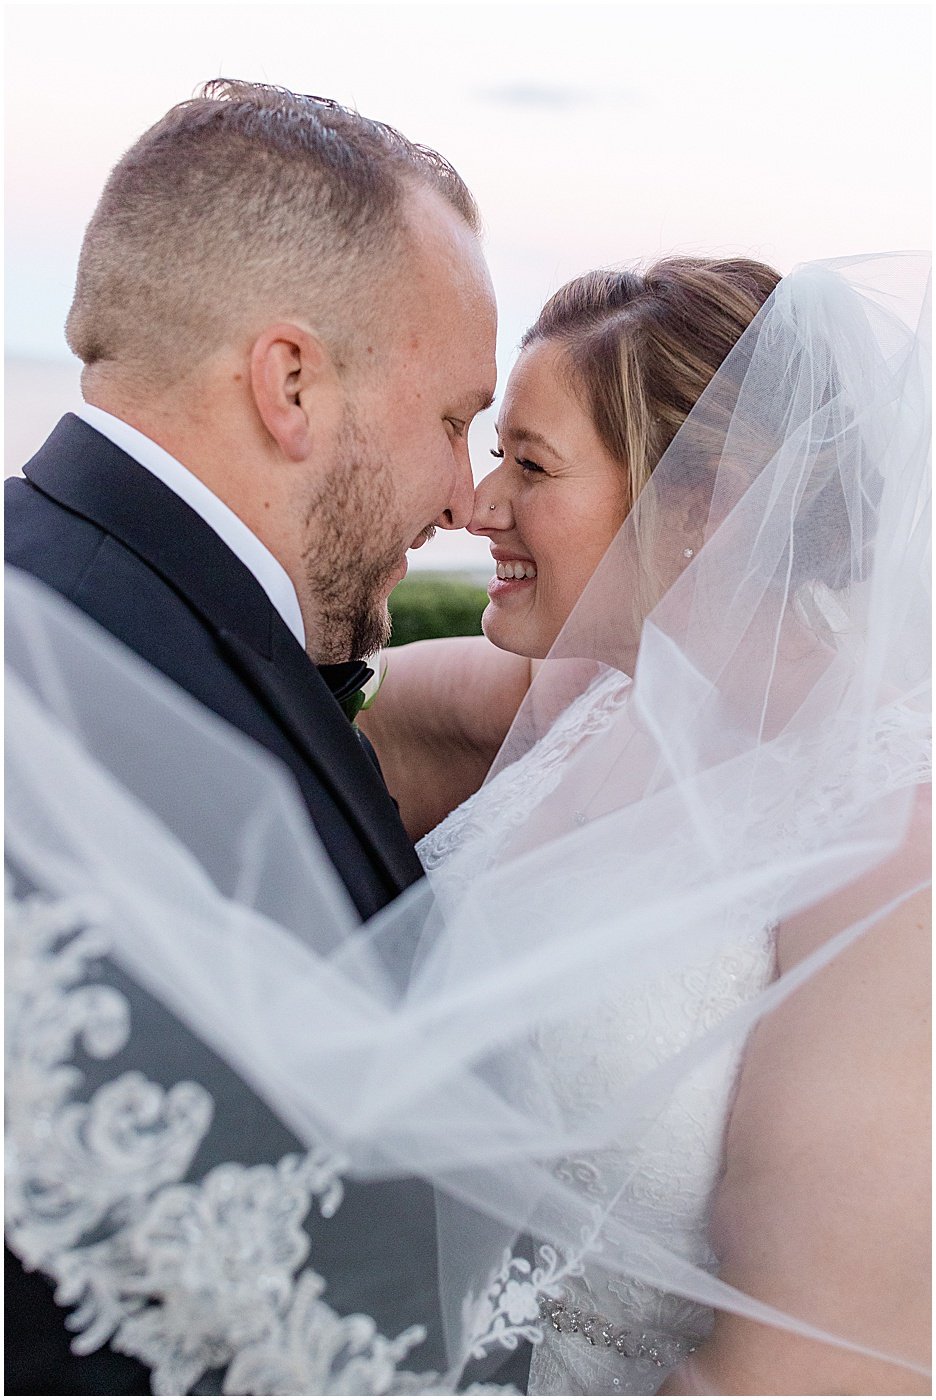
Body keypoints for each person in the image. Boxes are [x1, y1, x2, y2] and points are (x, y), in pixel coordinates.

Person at [6, 250, 929, 1395]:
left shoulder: (889, 840)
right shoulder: (579, 696)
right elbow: (252, 717)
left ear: (706, 507)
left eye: (528, 463)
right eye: (487, 446)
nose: (477, 502)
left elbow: (822, 1361)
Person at [3, 78, 498, 1395]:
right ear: (291, 382)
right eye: (453, 418)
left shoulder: (75, 587)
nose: (465, 496)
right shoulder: (81, 682)